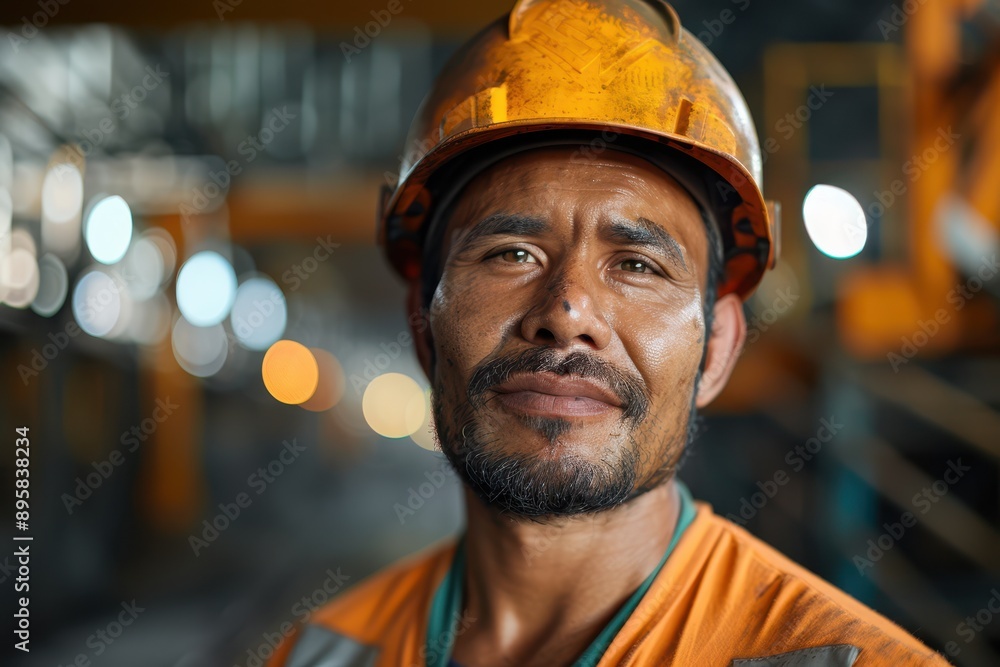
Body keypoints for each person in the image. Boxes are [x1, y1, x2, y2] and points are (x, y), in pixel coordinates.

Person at [268, 0, 949, 664]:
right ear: (423, 324)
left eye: (636, 264)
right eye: (512, 253)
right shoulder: (324, 649)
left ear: (716, 349)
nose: (566, 312)